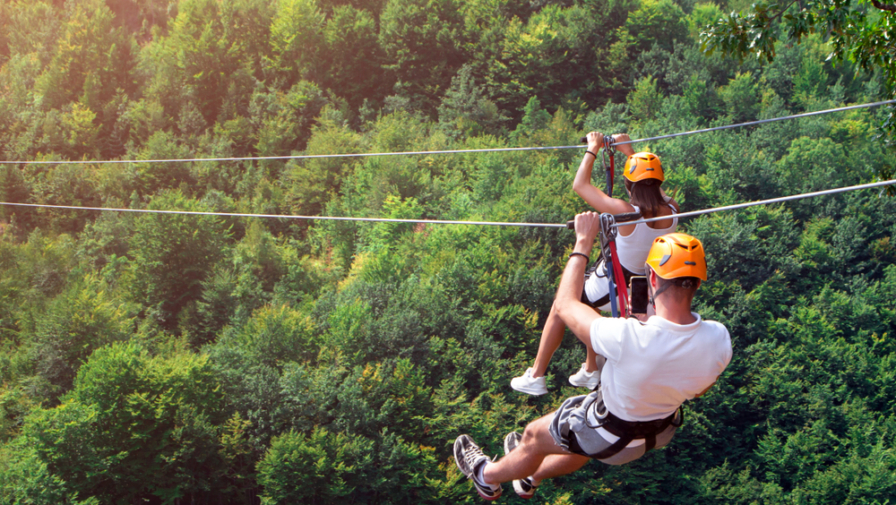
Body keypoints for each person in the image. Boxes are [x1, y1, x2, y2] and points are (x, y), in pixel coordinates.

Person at [455, 212, 731, 500]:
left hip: (609, 434)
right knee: (579, 441)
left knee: (533, 436)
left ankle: (485, 476)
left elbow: (564, 304)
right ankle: (530, 477)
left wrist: (583, 242)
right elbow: (700, 389)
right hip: (655, 434)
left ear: (651, 276)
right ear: (698, 283)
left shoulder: (627, 336)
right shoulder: (719, 339)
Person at [511, 132, 680, 395]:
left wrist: (592, 148)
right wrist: (629, 152)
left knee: (562, 304)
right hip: (642, 288)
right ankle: (591, 369)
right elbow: (653, 187)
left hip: (615, 284)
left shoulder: (625, 212)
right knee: (590, 305)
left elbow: (580, 185)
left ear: (628, 183)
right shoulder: (673, 210)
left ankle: (536, 375)